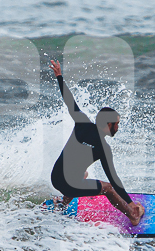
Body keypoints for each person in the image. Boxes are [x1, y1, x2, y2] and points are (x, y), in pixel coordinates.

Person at [48, 60, 145, 225]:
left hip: (55, 177)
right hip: (68, 184)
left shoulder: (82, 123)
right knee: (107, 188)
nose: (118, 128)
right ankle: (132, 215)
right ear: (109, 125)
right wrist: (129, 202)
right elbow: (113, 180)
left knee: (83, 174)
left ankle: (63, 203)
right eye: (116, 124)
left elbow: (69, 102)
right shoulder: (103, 148)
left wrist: (59, 76)